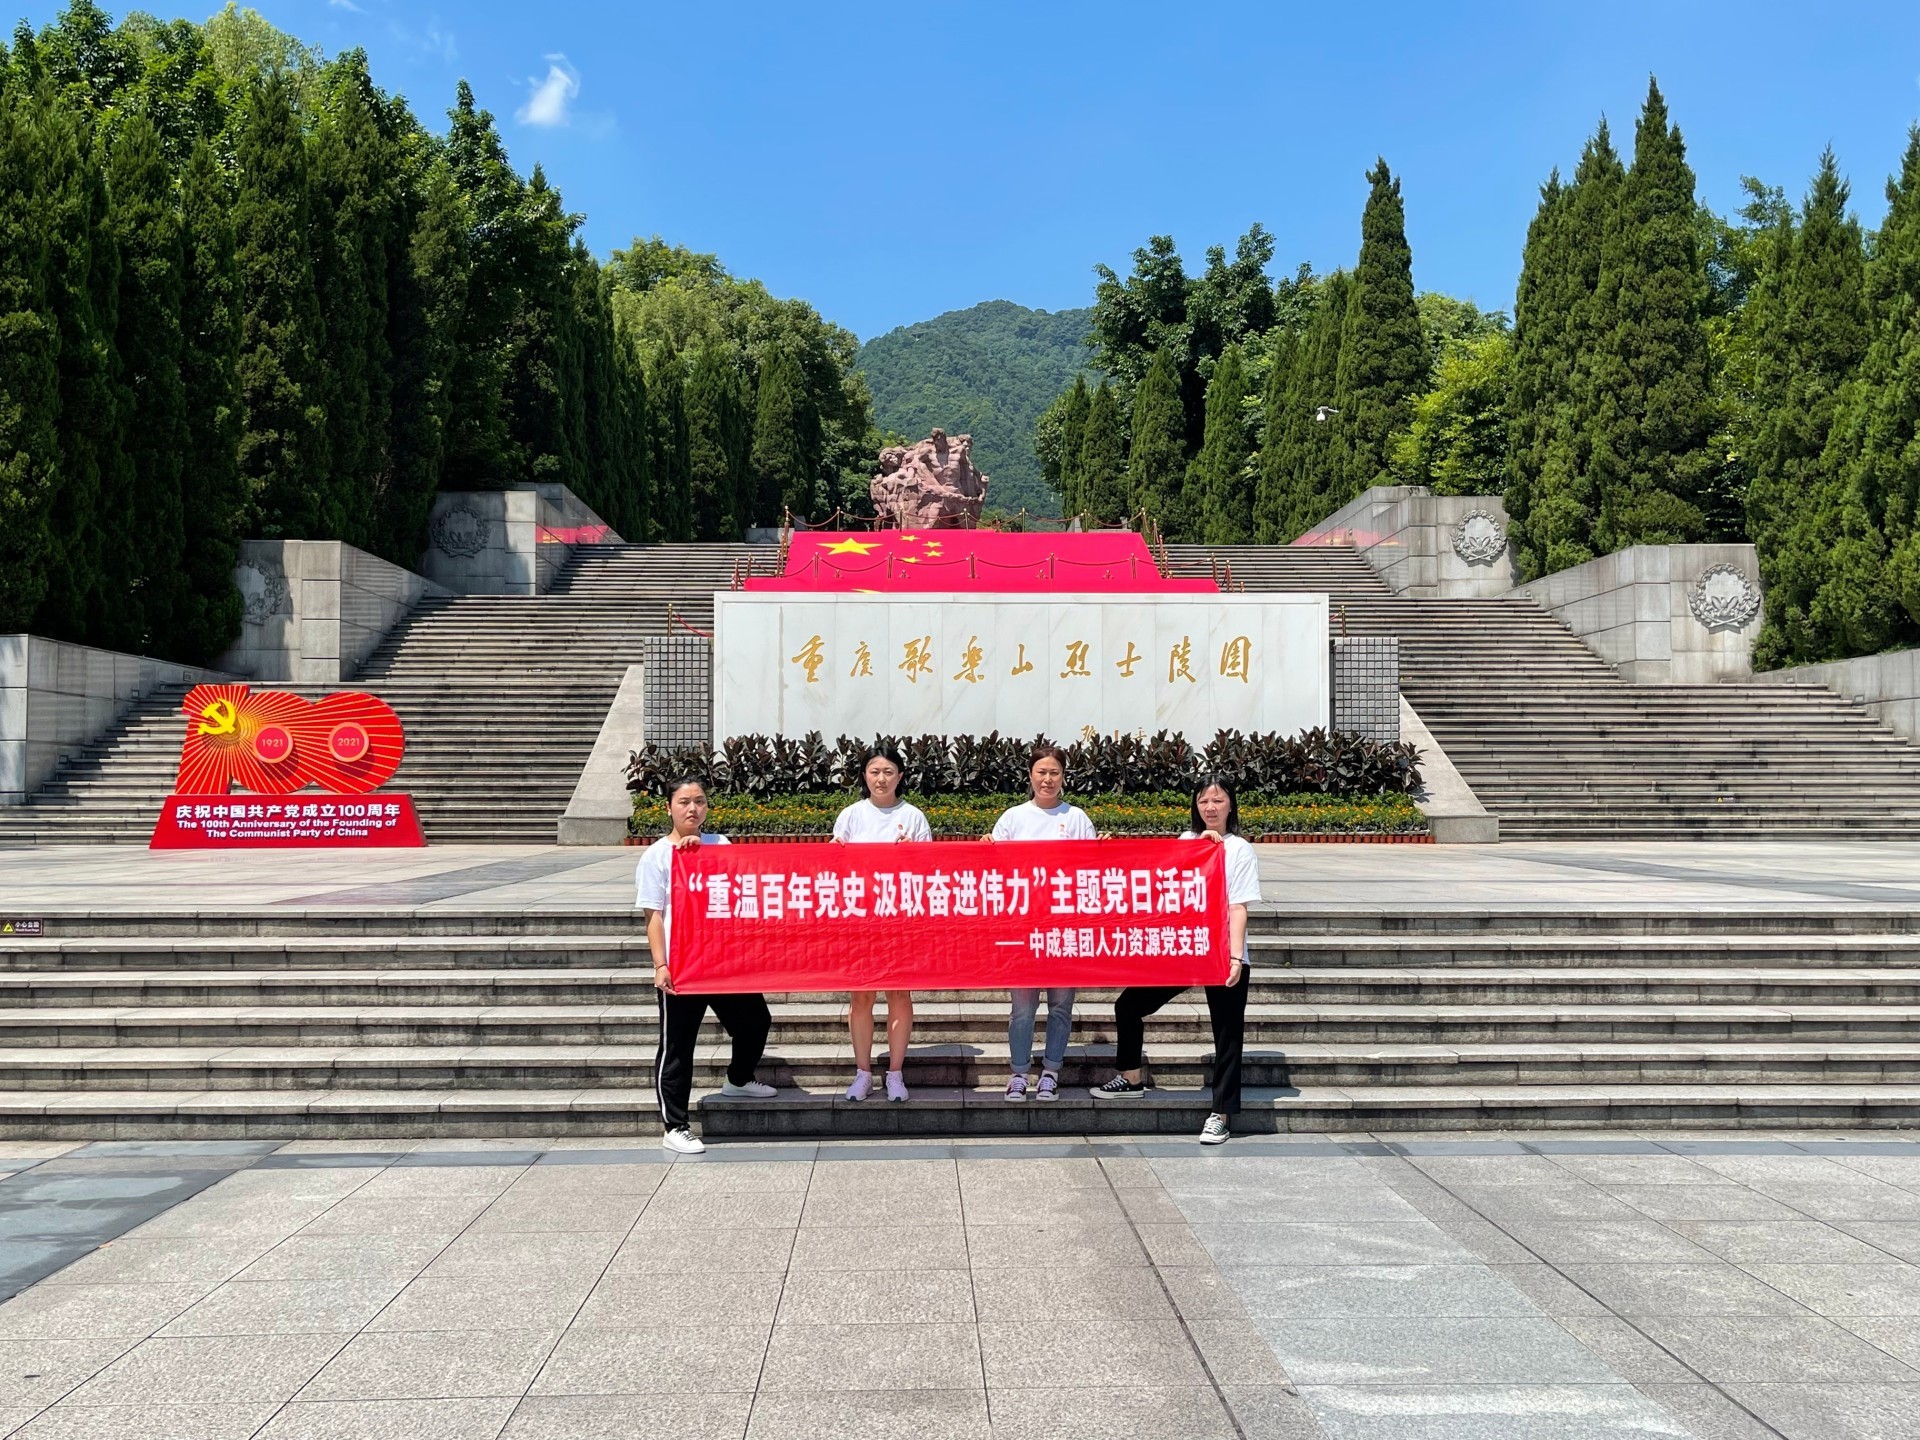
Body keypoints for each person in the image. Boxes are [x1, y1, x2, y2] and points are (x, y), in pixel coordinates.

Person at [1092, 774, 1260, 1145]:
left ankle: (1221, 1114)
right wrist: (1109, 852)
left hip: (1223, 952)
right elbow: (1154, 878)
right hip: (1184, 948)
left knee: (1227, 1033)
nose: (1210, 807)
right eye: (1203, 801)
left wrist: (1235, 958)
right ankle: (1131, 1078)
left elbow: (1238, 907)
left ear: (1231, 805)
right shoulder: (1186, 841)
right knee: (1128, 1006)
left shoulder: (1240, 849)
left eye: (1218, 800)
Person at [636, 776, 777, 1155]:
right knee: (678, 1046)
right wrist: (660, 965)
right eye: (684, 802)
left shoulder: (720, 845)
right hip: (682, 967)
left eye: (699, 801)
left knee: (756, 1021)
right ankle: (675, 1126)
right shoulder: (656, 856)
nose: (692, 808)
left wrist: (704, 859)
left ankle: (739, 1078)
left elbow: (738, 892)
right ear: (669, 807)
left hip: (721, 960)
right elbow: (653, 916)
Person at [986, 744, 1096, 1101]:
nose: (1047, 779)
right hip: (1023, 929)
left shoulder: (1076, 819)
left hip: (1064, 929)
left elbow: (1091, 870)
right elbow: (994, 869)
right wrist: (985, 848)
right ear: (1030, 775)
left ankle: (1050, 1072)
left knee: (1061, 1005)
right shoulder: (1013, 818)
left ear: (1063, 777)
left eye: (1054, 773)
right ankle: (1019, 1073)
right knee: (1022, 1008)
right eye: (1041, 772)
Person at [832, 743, 932, 1102]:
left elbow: (929, 873)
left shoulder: (914, 817)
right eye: (874, 771)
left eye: (889, 772)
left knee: (899, 993)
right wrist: (836, 853)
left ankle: (895, 1074)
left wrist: (913, 854)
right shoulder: (851, 816)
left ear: (900, 776)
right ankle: (862, 1073)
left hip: (900, 920)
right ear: (864, 775)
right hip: (860, 920)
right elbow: (834, 869)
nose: (881, 778)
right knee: (861, 995)